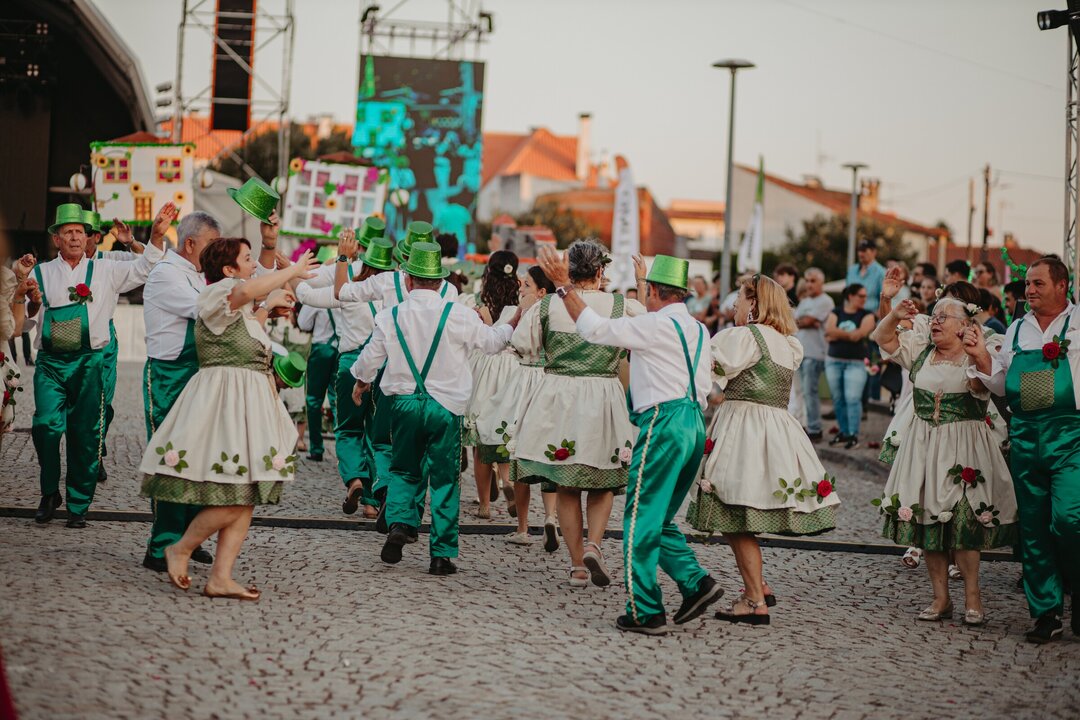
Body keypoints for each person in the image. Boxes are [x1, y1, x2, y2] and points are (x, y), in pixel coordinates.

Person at [539, 249, 722, 634]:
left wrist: (562, 286)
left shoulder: (654, 325)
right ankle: (696, 583)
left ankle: (646, 610)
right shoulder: (698, 329)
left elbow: (594, 329)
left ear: (653, 291)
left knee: (639, 517)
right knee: (661, 518)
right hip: (693, 422)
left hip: (663, 422)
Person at [139, 238, 319, 599]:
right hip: (226, 407)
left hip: (246, 406)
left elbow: (244, 326)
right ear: (228, 269)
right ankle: (181, 547)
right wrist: (294, 271)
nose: (253, 264)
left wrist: (267, 307)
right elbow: (245, 292)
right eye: (247, 259)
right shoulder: (217, 294)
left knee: (245, 495)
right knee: (234, 494)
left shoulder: (238, 309)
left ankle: (220, 577)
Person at [350, 242, 520, 575]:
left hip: (403, 404)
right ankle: (441, 555)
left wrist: (361, 383)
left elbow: (370, 359)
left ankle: (400, 523)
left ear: (408, 280)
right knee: (444, 479)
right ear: (440, 282)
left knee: (403, 469)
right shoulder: (458, 314)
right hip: (445, 407)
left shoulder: (391, 315)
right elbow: (492, 343)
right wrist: (514, 320)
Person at [687, 273, 840, 624]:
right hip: (775, 427)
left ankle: (755, 599)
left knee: (733, 512)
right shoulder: (787, 343)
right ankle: (758, 586)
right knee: (739, 512)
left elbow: (705, 368)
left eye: (740, 298)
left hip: (743, 427)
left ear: (754, 304)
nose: (733, 304)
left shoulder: (745, 337)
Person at [871, 297, 1017, 625]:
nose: (935, 321)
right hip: (923, 447)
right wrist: (894, 313)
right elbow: (882, 337)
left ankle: (973, 598)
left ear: (964, 325)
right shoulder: (921, 352)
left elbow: (987, 386)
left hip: (964, 448)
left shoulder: (976, 353)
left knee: (964, 526)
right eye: (934, 316)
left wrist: (978, 353)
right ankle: (940, 599)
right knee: (929, 524)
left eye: (944, 317)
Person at [511, 240, 646, 588]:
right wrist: (641, 284)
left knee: (566, 483)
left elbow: (524, 345)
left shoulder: (547, 306)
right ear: (600, 271)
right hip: (604, 395)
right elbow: (647, 329)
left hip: (558, 396)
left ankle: (577, 567)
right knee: (603, 479)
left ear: (568, 271)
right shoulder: (621, 306)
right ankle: (594, 545)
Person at [965, 256, 1080, 643]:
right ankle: (1046, 612)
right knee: (1033, 528)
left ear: (1062, 285)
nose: (1029, 290)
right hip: (1026, 435)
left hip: (1071, 434)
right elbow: (1001, 384)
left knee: (1070, 520)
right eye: (1028, 283)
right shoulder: (1016, 328)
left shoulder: (1078, 323)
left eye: (1037, 283)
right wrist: (980, 354)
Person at [31, 203, 167, 528]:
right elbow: (23, 321)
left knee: (85, 434)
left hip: (89, 361)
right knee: (45, 427)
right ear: (57, 239)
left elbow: (147, 268)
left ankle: (78, 505)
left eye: (80, 231)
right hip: (50, 364)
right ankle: (49, 491)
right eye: (68, 232)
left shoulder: (106, 269)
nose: (75, 237)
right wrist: (31, 302)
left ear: (87, 236)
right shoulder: (41, 273)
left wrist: (156, 236)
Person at [335, 221, 459, 531]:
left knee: (383, 441)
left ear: (405, 257)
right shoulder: (451, 291)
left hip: (391, 374)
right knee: (421, 450)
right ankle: (409, 514)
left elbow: (341, 292)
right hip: (432, 381)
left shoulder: (388, 280)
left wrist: (342, 259)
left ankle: (386, 489)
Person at [140, 210, 222, 573]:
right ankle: (162, 545)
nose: (216, 251)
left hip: (197, 374)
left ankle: (189, 537)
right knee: (171, 459)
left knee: (199, 457)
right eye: (212, 244)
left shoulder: (197, 274)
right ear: (190, 243)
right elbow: (203, 311)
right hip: (168, 376)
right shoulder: (166, 274)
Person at [297, 223, 392, 520]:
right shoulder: (395, 287)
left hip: (351, 362)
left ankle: (354, 481)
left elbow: (308, 296)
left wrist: (291, 274)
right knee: (378, 434)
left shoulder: (347, 282)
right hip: (383, 365)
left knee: (349, 429)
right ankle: (373, 502)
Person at [500, 265, 559, 547]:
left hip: (527, 379)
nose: (521, 289)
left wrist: (520, 314)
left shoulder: (532, 312)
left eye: (526, 285)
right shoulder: (559, 311)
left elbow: (517, 342)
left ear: (541, 291)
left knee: (519, 452)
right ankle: (550, 517)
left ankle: (523, 528)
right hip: (551, 380)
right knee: (549, 450)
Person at [463, 250, 521, 519]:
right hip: (511, 367)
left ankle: (484, 505)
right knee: (506, 431)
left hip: (484, 366)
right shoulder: (521, 300)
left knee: (479, 437)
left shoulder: (478, 301)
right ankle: (507, 480)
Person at [824, 284, 875, 449]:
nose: (864, 299)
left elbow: (858, 335)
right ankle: (844, 432)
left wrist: (836, 334)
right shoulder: (836, 311)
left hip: (856, 362)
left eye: (865, 296)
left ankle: (853, 434)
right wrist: (846, 334)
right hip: (833, 361)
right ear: (850, 296)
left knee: (853, 398)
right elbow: (828, 330)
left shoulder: (867, 315)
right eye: (861, 296)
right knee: (838, 399)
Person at [794, 268, 834, 441]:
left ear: (821, 283)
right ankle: (804, 424)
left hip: (815, 353)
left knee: (810, 392)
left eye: (813, 281)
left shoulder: (826, 301)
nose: (809, 284)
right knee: (801, 392)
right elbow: (797, 322)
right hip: (800, 352)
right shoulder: (805, 301)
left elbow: (807, 321)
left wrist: (806, 321)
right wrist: (805, 321)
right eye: (807, 281)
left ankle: (815, 429)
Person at [296, 300, 337, 462]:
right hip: (343, 349)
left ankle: (316, 448)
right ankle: (343, 448)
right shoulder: (350, 291)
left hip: (321, 350)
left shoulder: (316, 295)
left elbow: (303, 323)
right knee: (338, 401)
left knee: (313, 399)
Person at [846, 240, 885, 314]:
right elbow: (847, 295)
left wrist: (876, 317)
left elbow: (884, 299)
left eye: (864, 250)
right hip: (851, 314)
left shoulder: (881, 272)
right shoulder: (851, 270)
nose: (860, 254)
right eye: (859, 250)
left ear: (874, 252)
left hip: (871, 315)